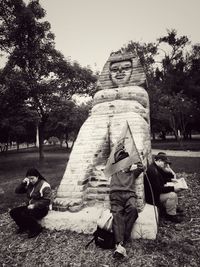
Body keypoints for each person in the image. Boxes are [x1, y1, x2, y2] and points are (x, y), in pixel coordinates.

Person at [109, 151, 144, 259]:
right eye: (123, 162)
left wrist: (136, 158)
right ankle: (119, 245)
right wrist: (120, 152)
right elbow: (110, 162)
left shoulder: (133, 173)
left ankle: (123, 237)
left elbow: (142, 167)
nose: (126, 165)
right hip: (116, 195)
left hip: (129, 196)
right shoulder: (114, 171)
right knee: (117, 214)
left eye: (128, 162)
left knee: (133, 209)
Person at [10, 168, 52, 238]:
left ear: (37, 176)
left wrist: (35, 205)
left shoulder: (44, 185)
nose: (31, 180)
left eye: (32, 178)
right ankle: (23, 226)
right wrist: (23, 183)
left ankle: (36, 228)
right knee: (13, 212)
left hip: (42, 208)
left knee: (25, 213)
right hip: (30, 207)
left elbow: (47, 200)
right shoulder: (29, 184)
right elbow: (17, 191)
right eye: (29, 179)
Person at [144, 152, 183, 223]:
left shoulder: (155, 167)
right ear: (158, 161)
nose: (165, 165)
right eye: (164, 163)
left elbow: (161, 180)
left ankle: (173, 209)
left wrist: (171, 180)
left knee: (172, 191)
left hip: (155, 194)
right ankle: (170, 216)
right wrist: (173, 188)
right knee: (172, 195)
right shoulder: (153, 171)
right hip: (152, 198)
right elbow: (158, 189)